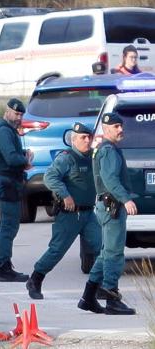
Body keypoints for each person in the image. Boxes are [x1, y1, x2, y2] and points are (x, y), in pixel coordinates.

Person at [26, 122, 102, 299]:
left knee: (102, 247)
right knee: (57, 250)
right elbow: (50, 177)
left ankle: (99, 286)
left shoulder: (93, 157)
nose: (87, 140)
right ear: (73, 140)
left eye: (89, 137)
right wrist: (65, 195)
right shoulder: (67, 158)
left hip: (89, 213)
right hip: (70, 215)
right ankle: (36, 279)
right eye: (82, 137)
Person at [78, 112, 137, 315]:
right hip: (112, 207)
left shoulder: (103, 149)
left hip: (106, 207)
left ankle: (88, 297)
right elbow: (110, 178)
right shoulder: (109, 150)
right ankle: (111, 299)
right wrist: (125, 198)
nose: (120, 129)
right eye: (115, 126)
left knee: (105, 254)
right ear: (105, 128)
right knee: (114, 254)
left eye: (121, 125)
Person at [0, 98, 33, 282]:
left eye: (21, 115)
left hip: (10, 181)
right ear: (7, 111)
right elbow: (10, 158)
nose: (18, 118)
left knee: (7, 226)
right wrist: (25, 160)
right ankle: (3, 267)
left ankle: (2, 263)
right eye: (16, 114)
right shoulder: (4, 131)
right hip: (7, 182)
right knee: (9, 226)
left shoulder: (7, 130)